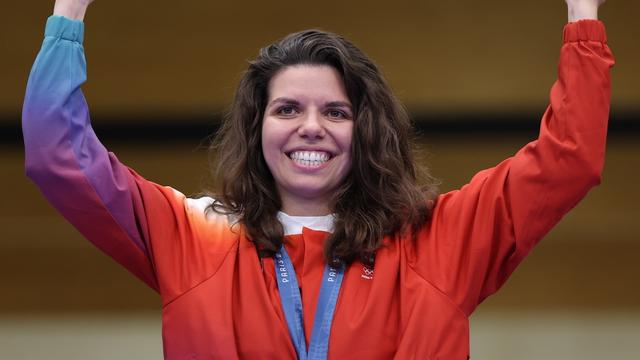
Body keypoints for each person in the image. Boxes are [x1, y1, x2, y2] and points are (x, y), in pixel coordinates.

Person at [22, 0, 614, 358]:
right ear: (257, 129)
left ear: (368, 131)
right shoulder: (189, 234)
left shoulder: (440, 239)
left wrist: (582, 18)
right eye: (287, 110)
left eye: (336, 112)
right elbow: (58, 155)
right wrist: (68, 15)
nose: (311, 128)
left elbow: (568, 159)